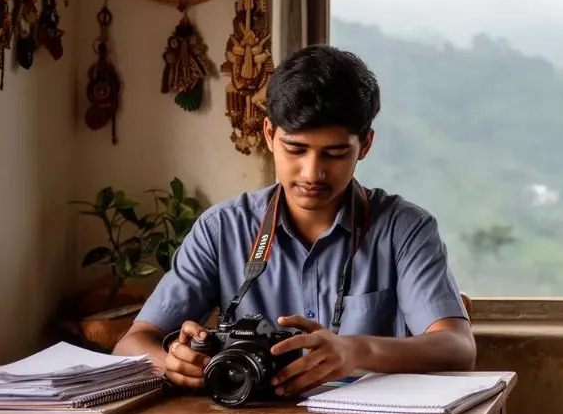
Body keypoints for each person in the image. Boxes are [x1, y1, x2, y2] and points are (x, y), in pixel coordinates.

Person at [115, 44, 476, 392]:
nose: (312, 173)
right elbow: (132, 343)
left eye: (334, 154)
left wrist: (355, 351)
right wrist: (173, 364)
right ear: (270, 135)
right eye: (295, 149)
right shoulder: (221, 229)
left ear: (364, 145)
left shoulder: (404, 229)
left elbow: (458, 348)